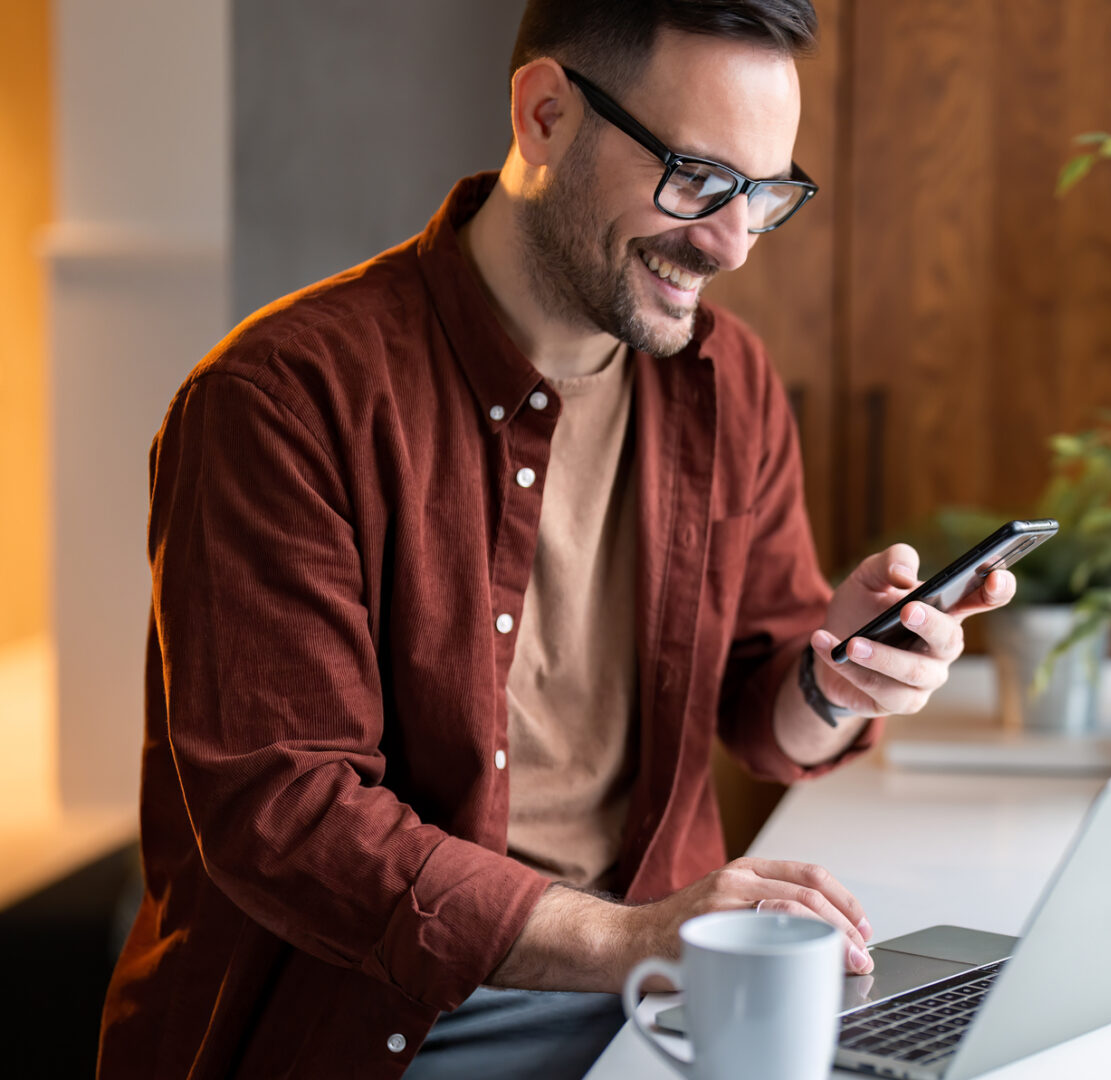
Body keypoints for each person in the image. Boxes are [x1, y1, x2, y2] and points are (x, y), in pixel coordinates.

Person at [95, 2, 1015, 1077]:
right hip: (383, 1028)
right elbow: (289, 819)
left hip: (653, 999)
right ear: (543, 115)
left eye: (766, 194)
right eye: (697, 178)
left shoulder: (730, 382)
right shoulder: (279, 402)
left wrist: (839, 680)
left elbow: (764, 715)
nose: (731, 243)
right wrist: (640, 935)